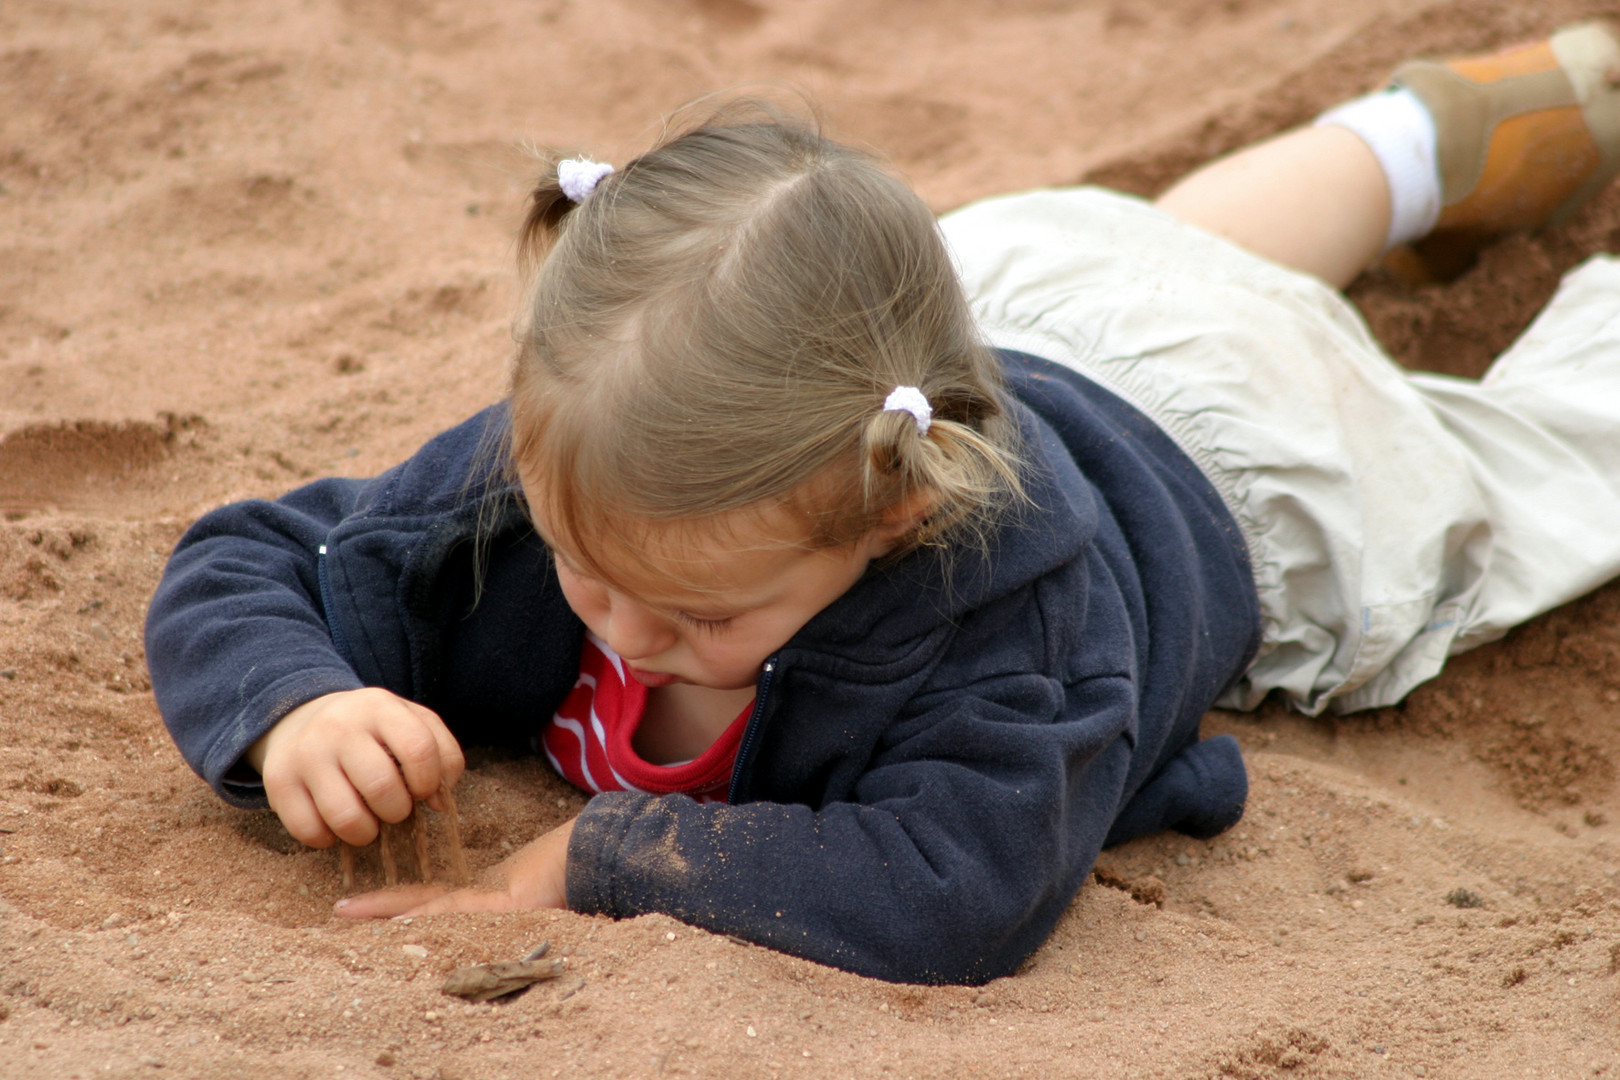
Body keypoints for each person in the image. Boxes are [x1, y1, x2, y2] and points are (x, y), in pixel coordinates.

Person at [146, 23, 1620, 985]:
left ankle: (1465, 222)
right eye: (590, 575)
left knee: (1528, 471)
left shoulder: (999, 611)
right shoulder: (616, 454)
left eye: (704, 611)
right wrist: (299, 708)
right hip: (1033, 301)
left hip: (1255, 467)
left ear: (891, 519)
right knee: (1162, 258)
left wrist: (603, 859)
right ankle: (1421, 146)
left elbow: (965, 881)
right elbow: (250, 559)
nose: (629, 630)